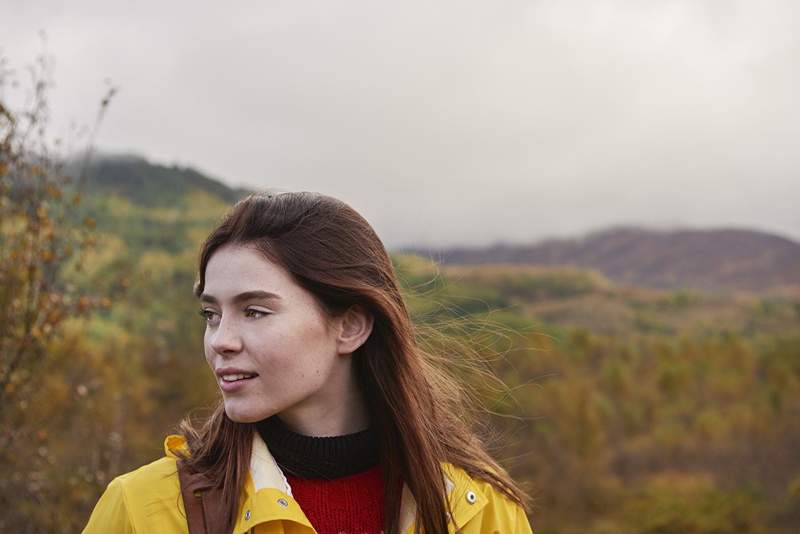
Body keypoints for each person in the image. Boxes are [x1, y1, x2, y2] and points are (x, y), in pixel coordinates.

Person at [83, 191, 533, 534]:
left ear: (351, 326)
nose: (220, 340)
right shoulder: (141, 511)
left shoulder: (481, 512)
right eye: (211, 314)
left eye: (255, 311)